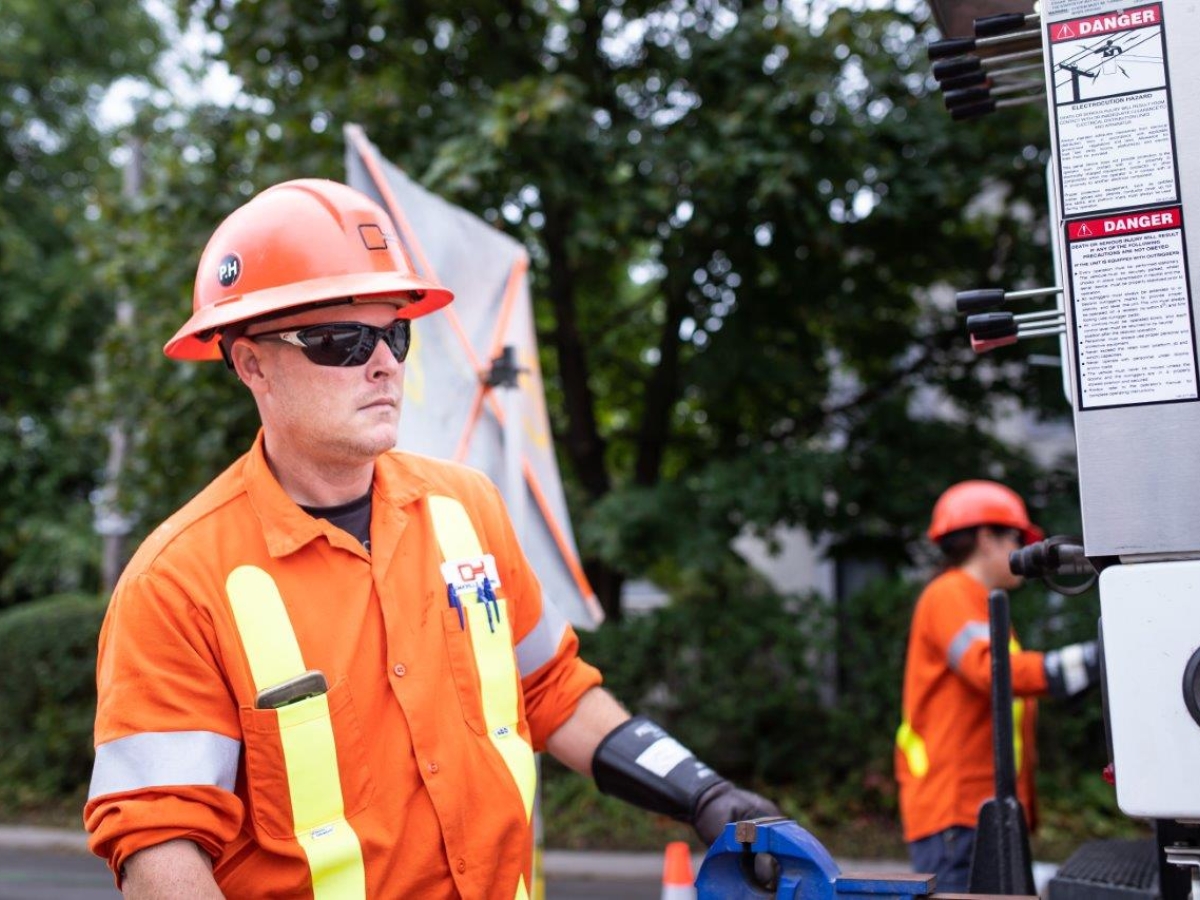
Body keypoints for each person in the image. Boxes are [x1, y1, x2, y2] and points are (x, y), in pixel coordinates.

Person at [84, 179, 780, 899]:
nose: (384, 362)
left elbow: (554, 692)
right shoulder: (176, 584)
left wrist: (704, 794)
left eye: (395, 333)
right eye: (341, 340)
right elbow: (158, 839)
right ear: (251, 362)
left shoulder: (467, 510)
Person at [894, 479, 1100, 894]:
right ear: (986, 538)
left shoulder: (979, 602)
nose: (1025, 549)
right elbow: (995, 672)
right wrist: (1096, 658)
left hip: (978, 811)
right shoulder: (949, 595)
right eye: (1017, 537)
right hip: (959, 813)